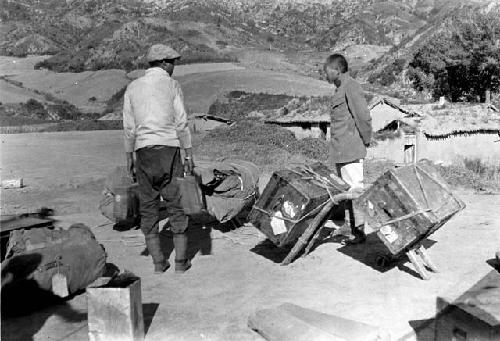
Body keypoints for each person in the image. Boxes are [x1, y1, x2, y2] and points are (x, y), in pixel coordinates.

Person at [122, 44, 194, 273]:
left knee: (148, 206)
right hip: (169, 151)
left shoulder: (133, 87)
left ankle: (158, 263)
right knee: (176, 204)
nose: (174, 67)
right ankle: (181, 263)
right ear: (164, 63)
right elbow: (181, 123)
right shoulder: (172, 85)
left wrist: (129, 156)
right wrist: (188, 153)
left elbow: (129, 127)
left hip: (143, 153)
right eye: (173, 62)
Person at [323, 53, 372, 244]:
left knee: (356, 191)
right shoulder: (339, 89)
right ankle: (346, 227)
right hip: (340, 150)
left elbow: (363, 117)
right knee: (344, 191)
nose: (325, 75)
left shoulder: (351, 87)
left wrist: (365, 140)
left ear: (336, 70)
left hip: (351, 149)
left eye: (326, 71)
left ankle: (359, 232)